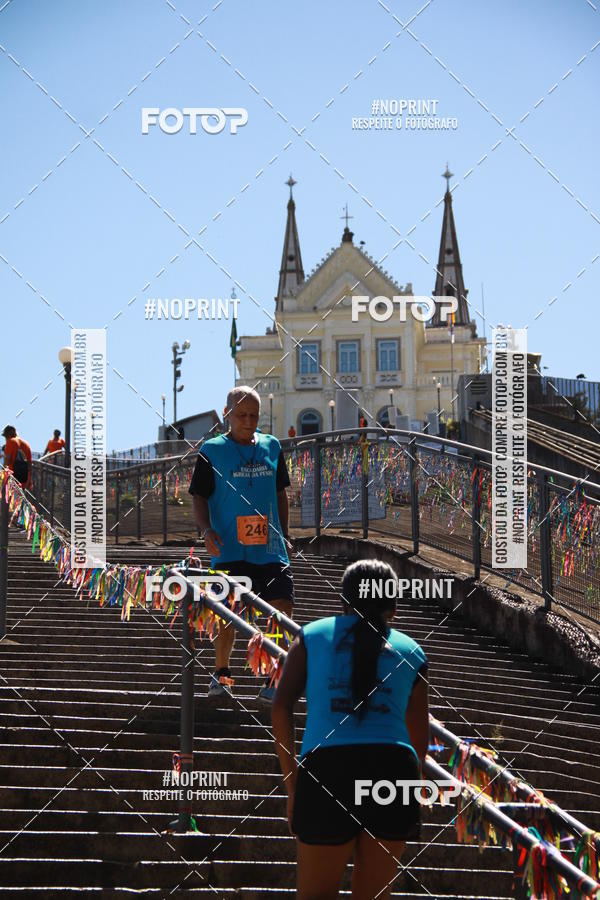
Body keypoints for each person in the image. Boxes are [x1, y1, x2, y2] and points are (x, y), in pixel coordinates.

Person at [272, 559, 429, 899]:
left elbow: (281, 705)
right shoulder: (412, 652)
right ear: (394, 607)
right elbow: (419, 738)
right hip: (394, 772)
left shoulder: (312, 636)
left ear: (342, 603)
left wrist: (293, 786)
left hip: (328, 771)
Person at [189, 386, 295, 702]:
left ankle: (275, 678)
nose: (247, 421)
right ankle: (222, 673)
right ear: (228, 415)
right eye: (241, 415)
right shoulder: (211, 450)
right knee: (227, 611)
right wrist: (206, 531)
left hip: (270, 548)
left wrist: (286, 533)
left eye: (253, 415)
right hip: (229, 548)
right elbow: (199, 496)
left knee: (282, 609)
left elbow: (280, 494)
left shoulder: (272, 447)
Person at [2, 425, 32, 489]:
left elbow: (7, 460)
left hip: (13, 477)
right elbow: (29, 463)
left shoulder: (11, 441)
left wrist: (3, 474)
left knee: (11, 497)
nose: (5, 439)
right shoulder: (26, 444)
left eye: (6, 436)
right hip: (25, 477)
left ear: (9, 434)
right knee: (20, 497)